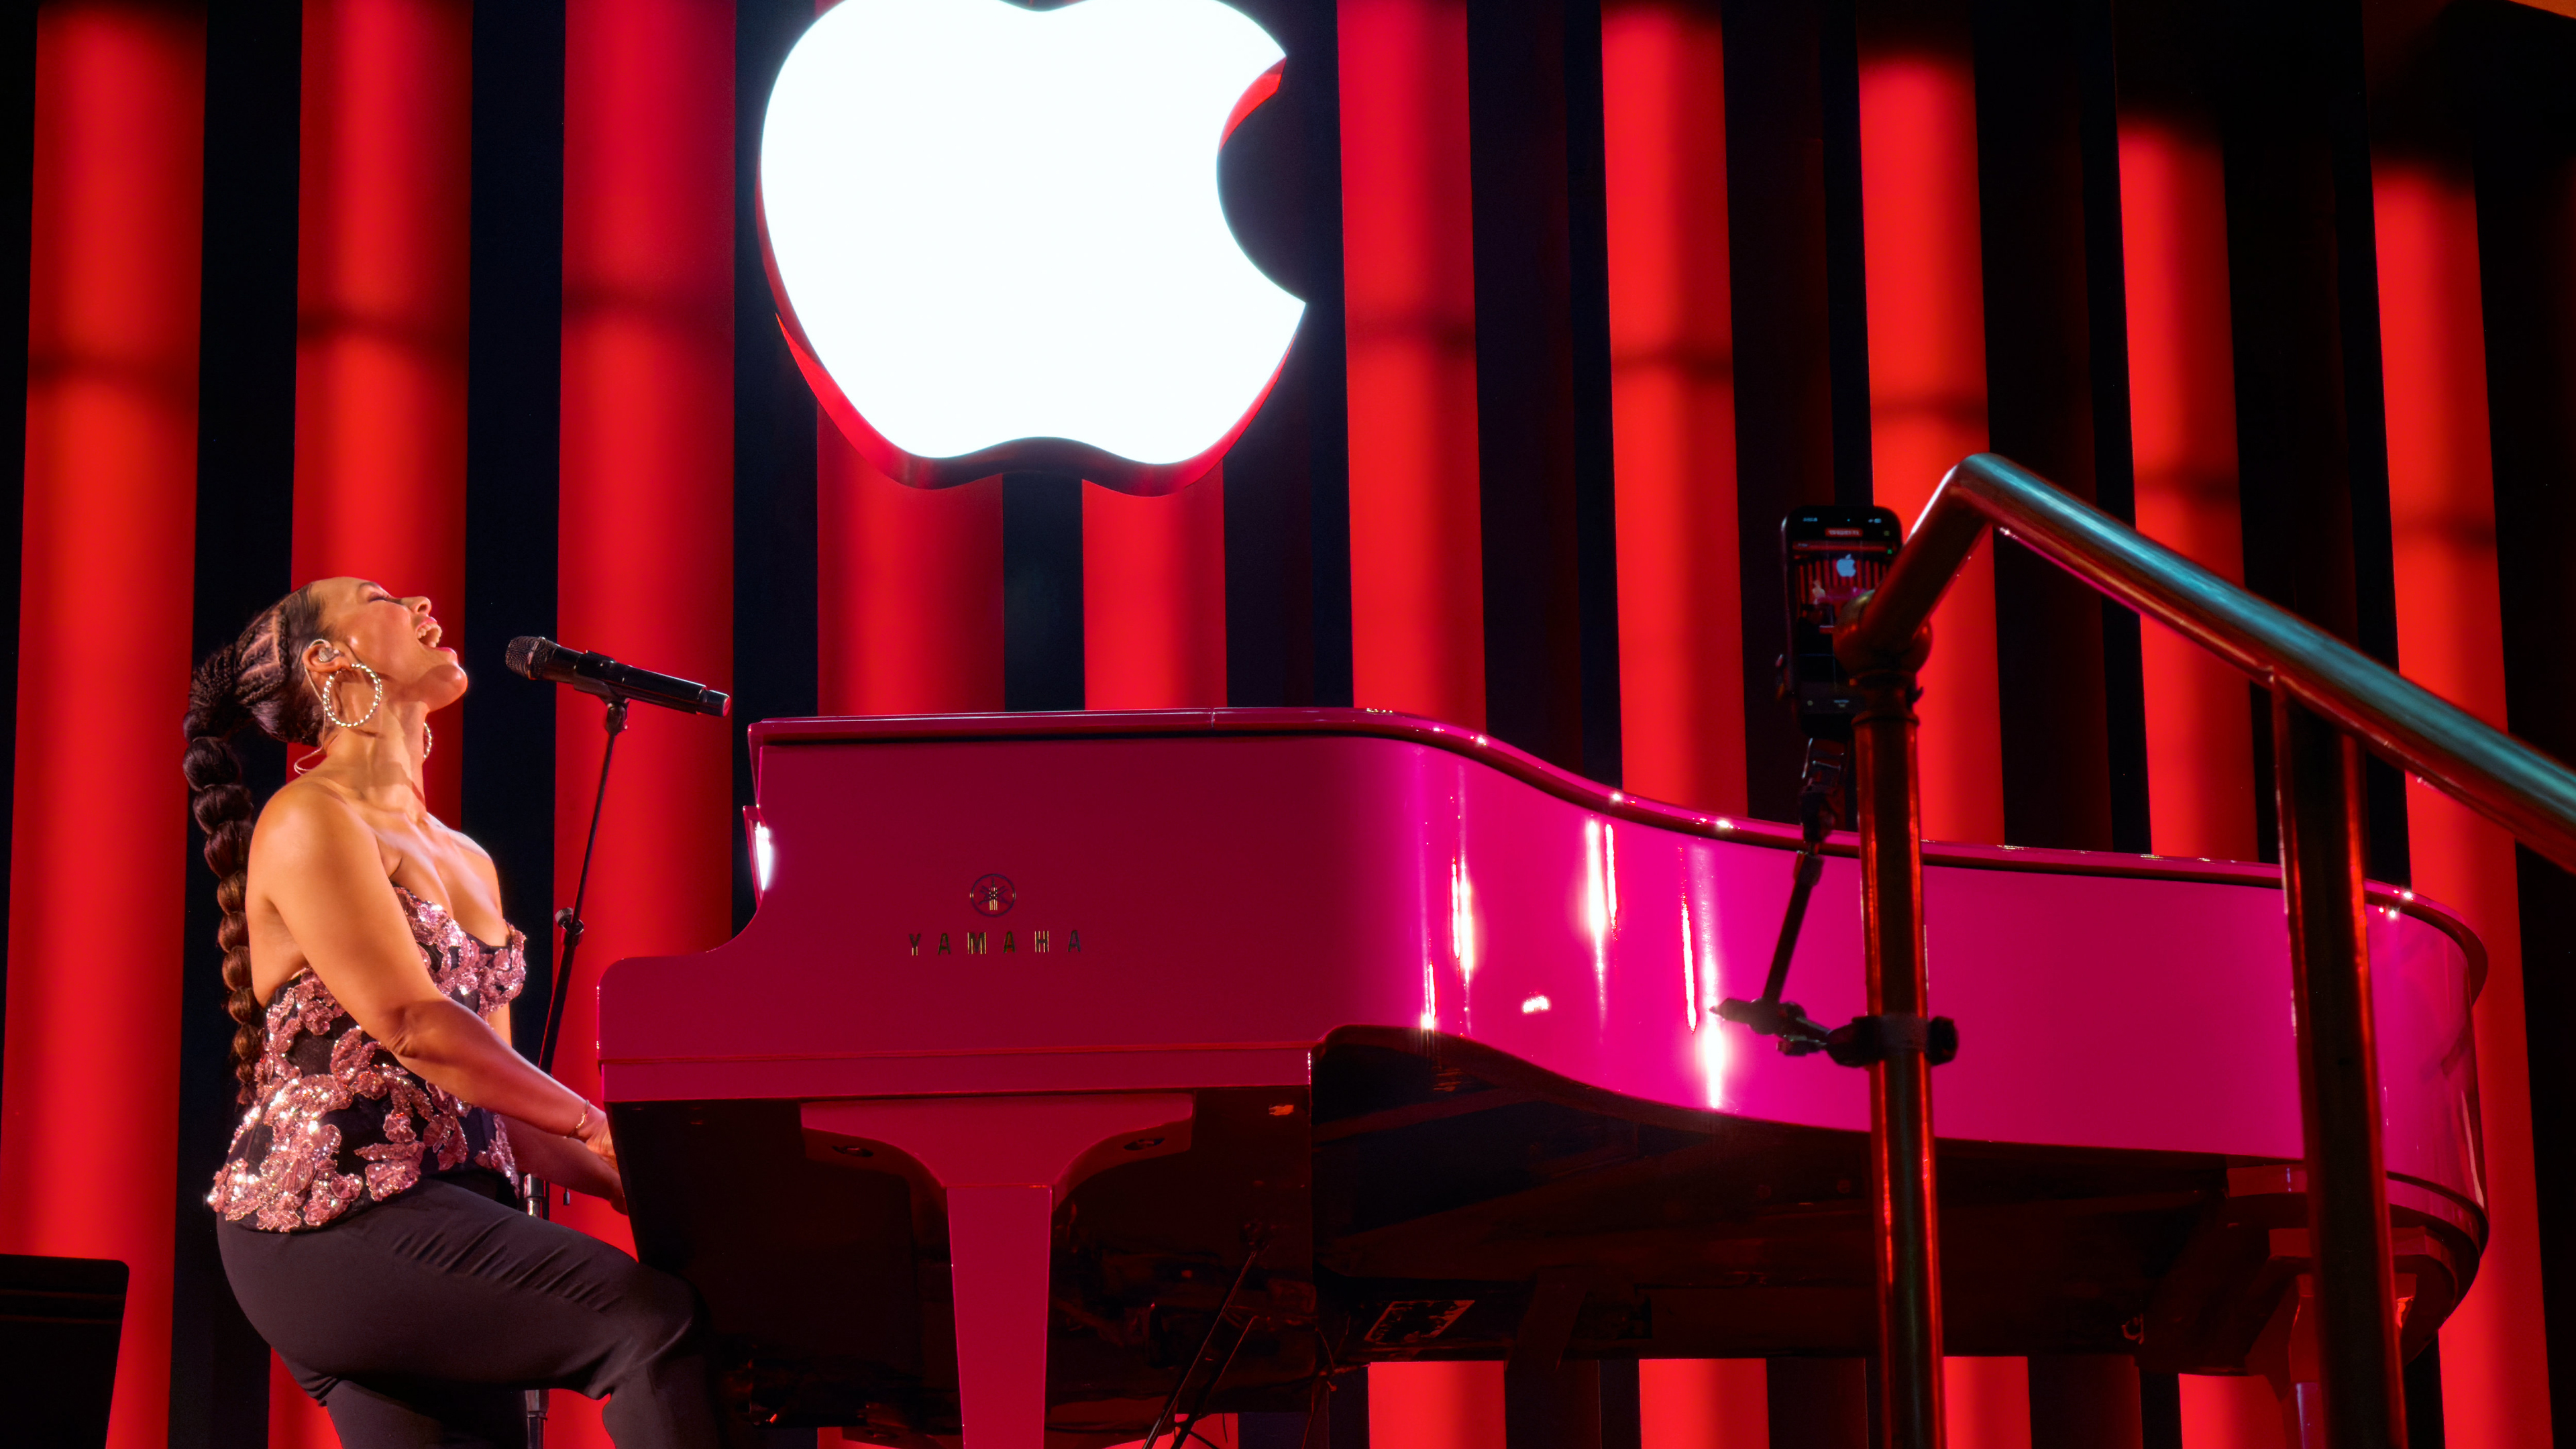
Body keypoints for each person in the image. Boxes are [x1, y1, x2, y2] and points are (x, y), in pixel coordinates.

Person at [182, 578, 718, 1448]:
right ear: (329, 660)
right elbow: (412, 1021)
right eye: (379, 597)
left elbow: (497, 1110)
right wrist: (591, 1122)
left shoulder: (468, 862)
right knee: (649, 1321)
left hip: (440, 1216)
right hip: (329, 1224)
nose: (422, 600)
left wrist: (642, 1182)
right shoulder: (309, 820)